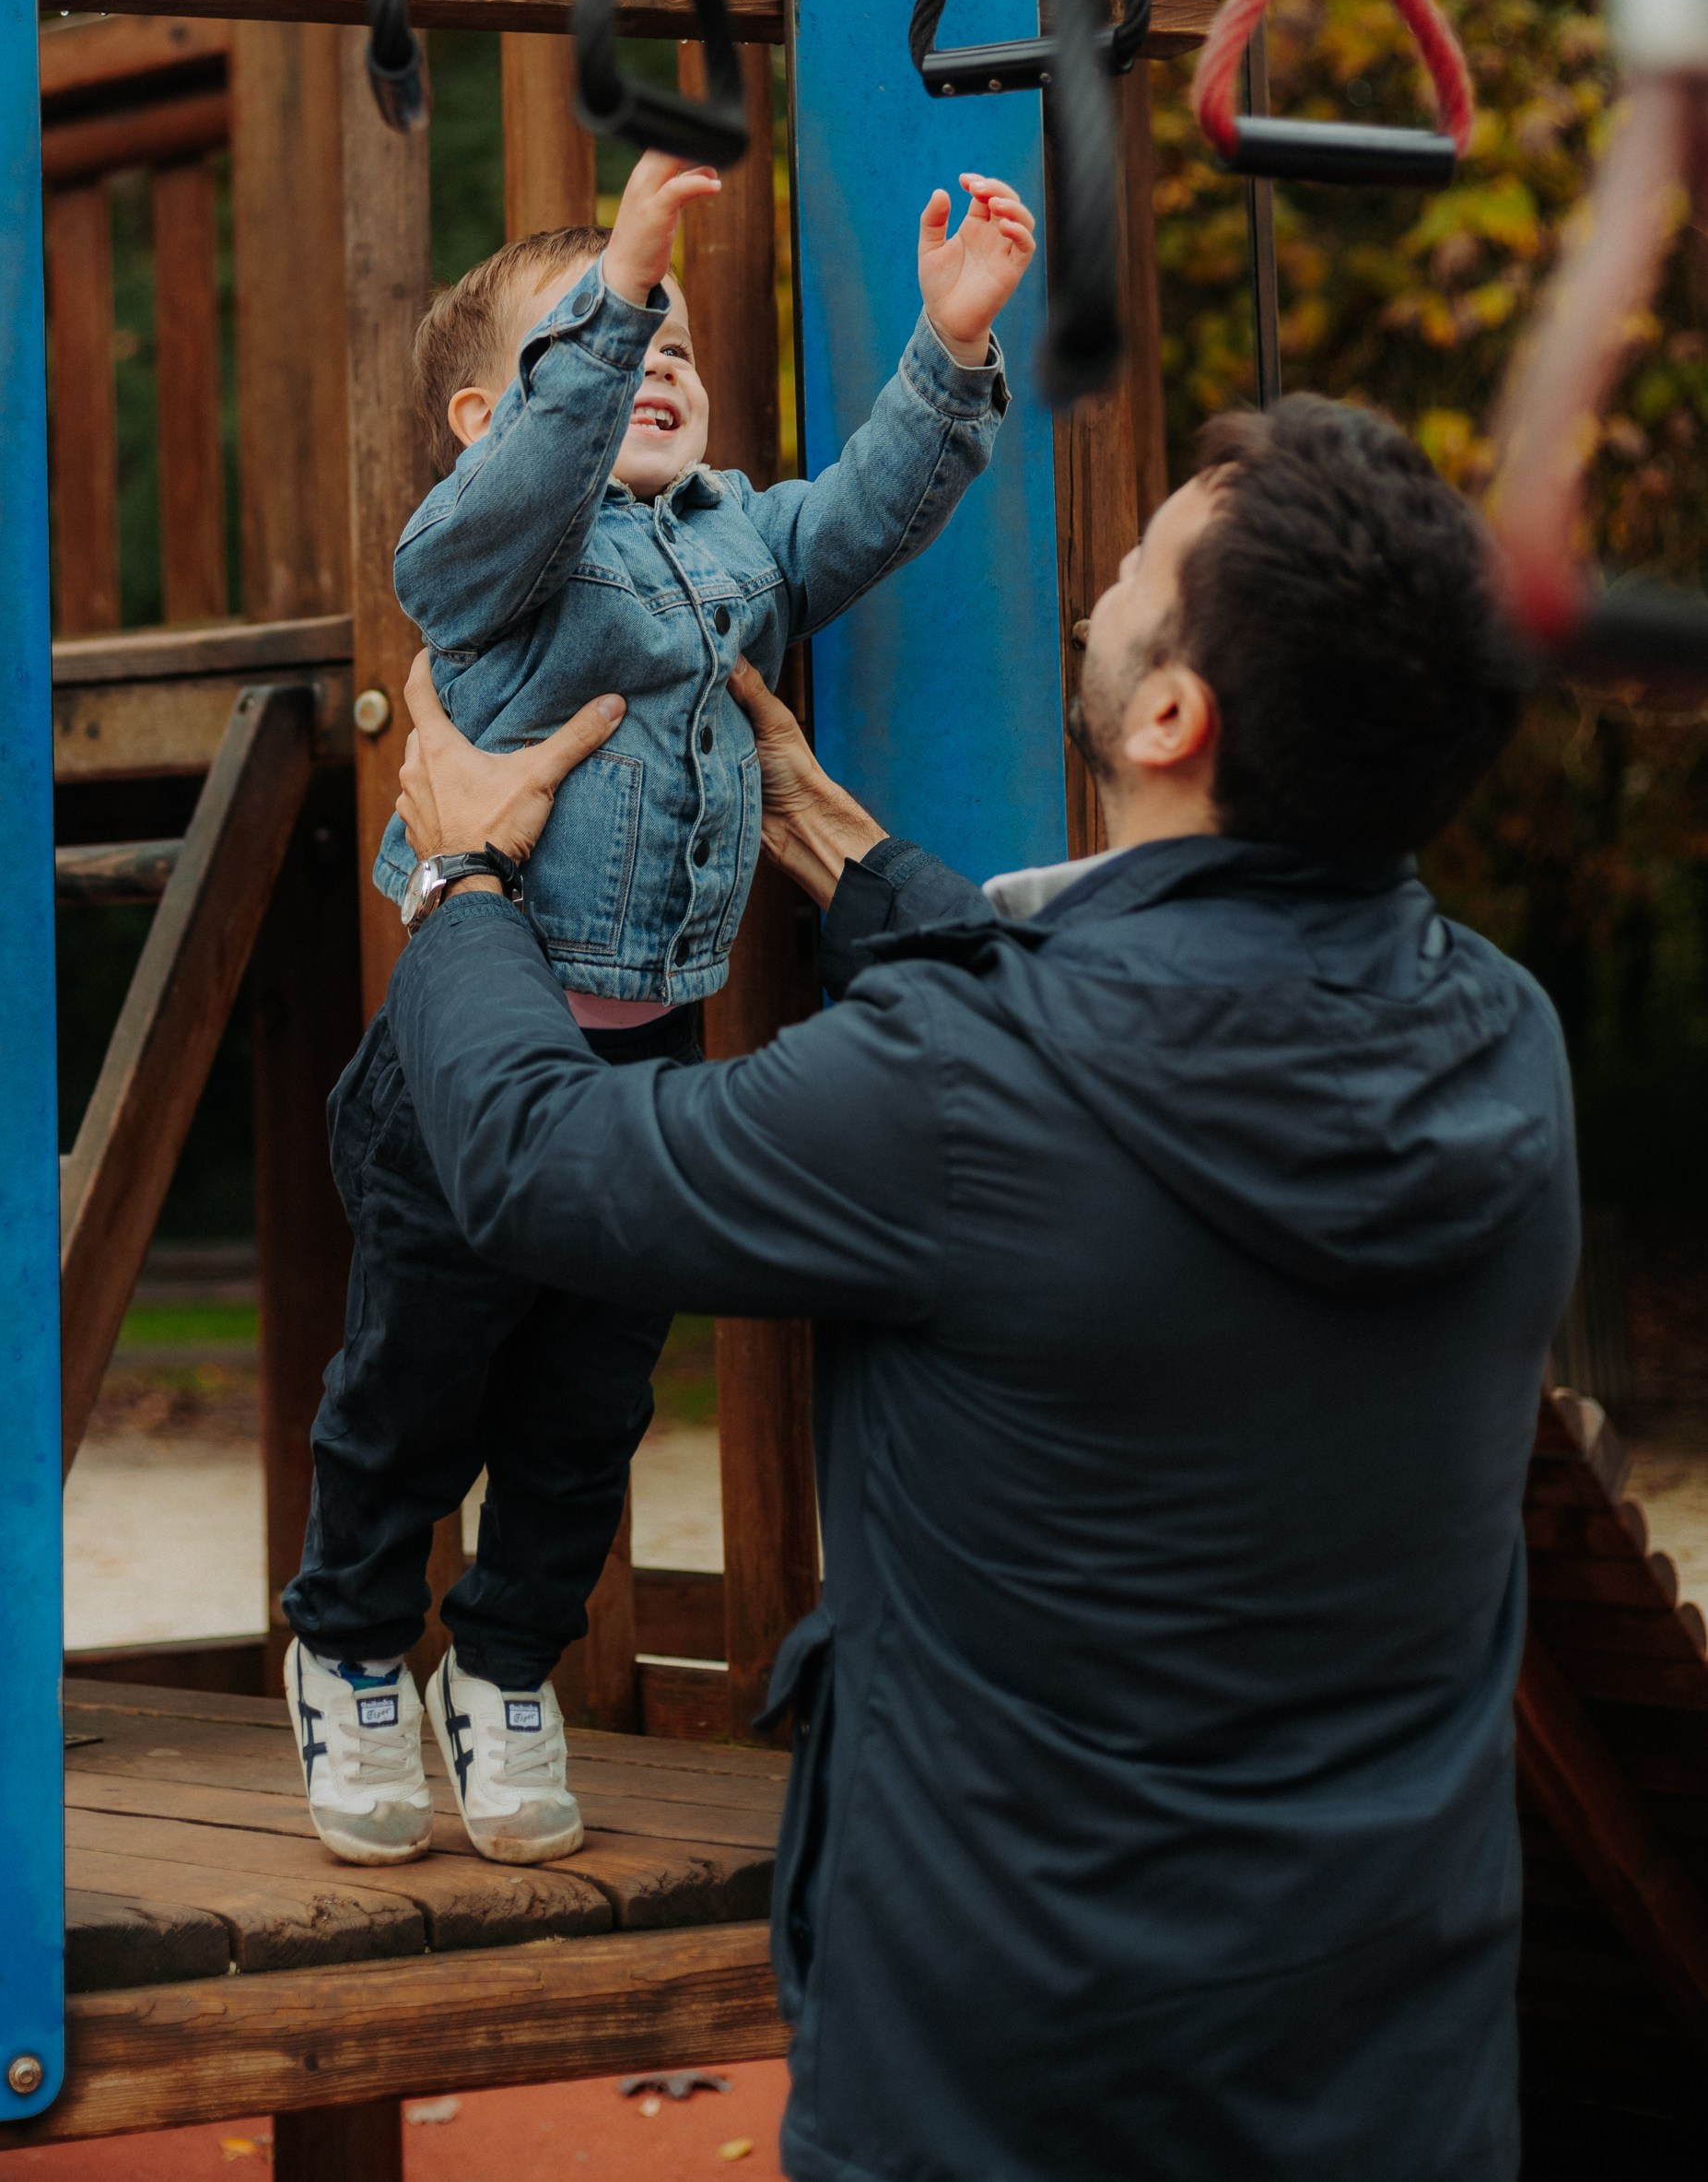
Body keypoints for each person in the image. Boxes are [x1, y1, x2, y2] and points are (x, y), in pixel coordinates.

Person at [381, 395, 1575, 2182]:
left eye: (1138, 567)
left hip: (1011, 2100)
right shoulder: (1506, 1047)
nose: (1104, 576)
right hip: (1387, 2081)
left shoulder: (954, 1084)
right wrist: (849, 856)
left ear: (1173, 715)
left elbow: (544, 1164)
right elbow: (1129, 1051)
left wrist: (463, 873)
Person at [283, 145, 1037, 1871]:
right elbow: (536, 475)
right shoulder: (486, 566)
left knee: (585, 1412)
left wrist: (950, 347)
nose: (657, 365)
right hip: (461, 1073)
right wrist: (619, 284)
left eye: (678, 345)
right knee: (413, 1384)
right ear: (490, 414)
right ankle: (344, 1651)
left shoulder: (731, 537)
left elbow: (864, 507)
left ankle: (505, 1667)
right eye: (613, 347)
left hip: (645, 1070)